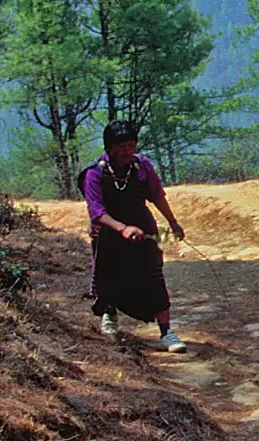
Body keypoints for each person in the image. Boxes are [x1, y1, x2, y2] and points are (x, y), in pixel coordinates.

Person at [81, 119, 189, 352]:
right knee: (109, 276)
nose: (127, 152)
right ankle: (109, 314)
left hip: (143, 230)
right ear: (109, 148)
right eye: (121, 147)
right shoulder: (94, 173)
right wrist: (122, 228)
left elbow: (157, 195)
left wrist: (173, 222)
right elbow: (96, 212)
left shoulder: (143, 167)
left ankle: (166, 332)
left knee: (154, 277)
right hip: (108, 234)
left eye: (131, 146)